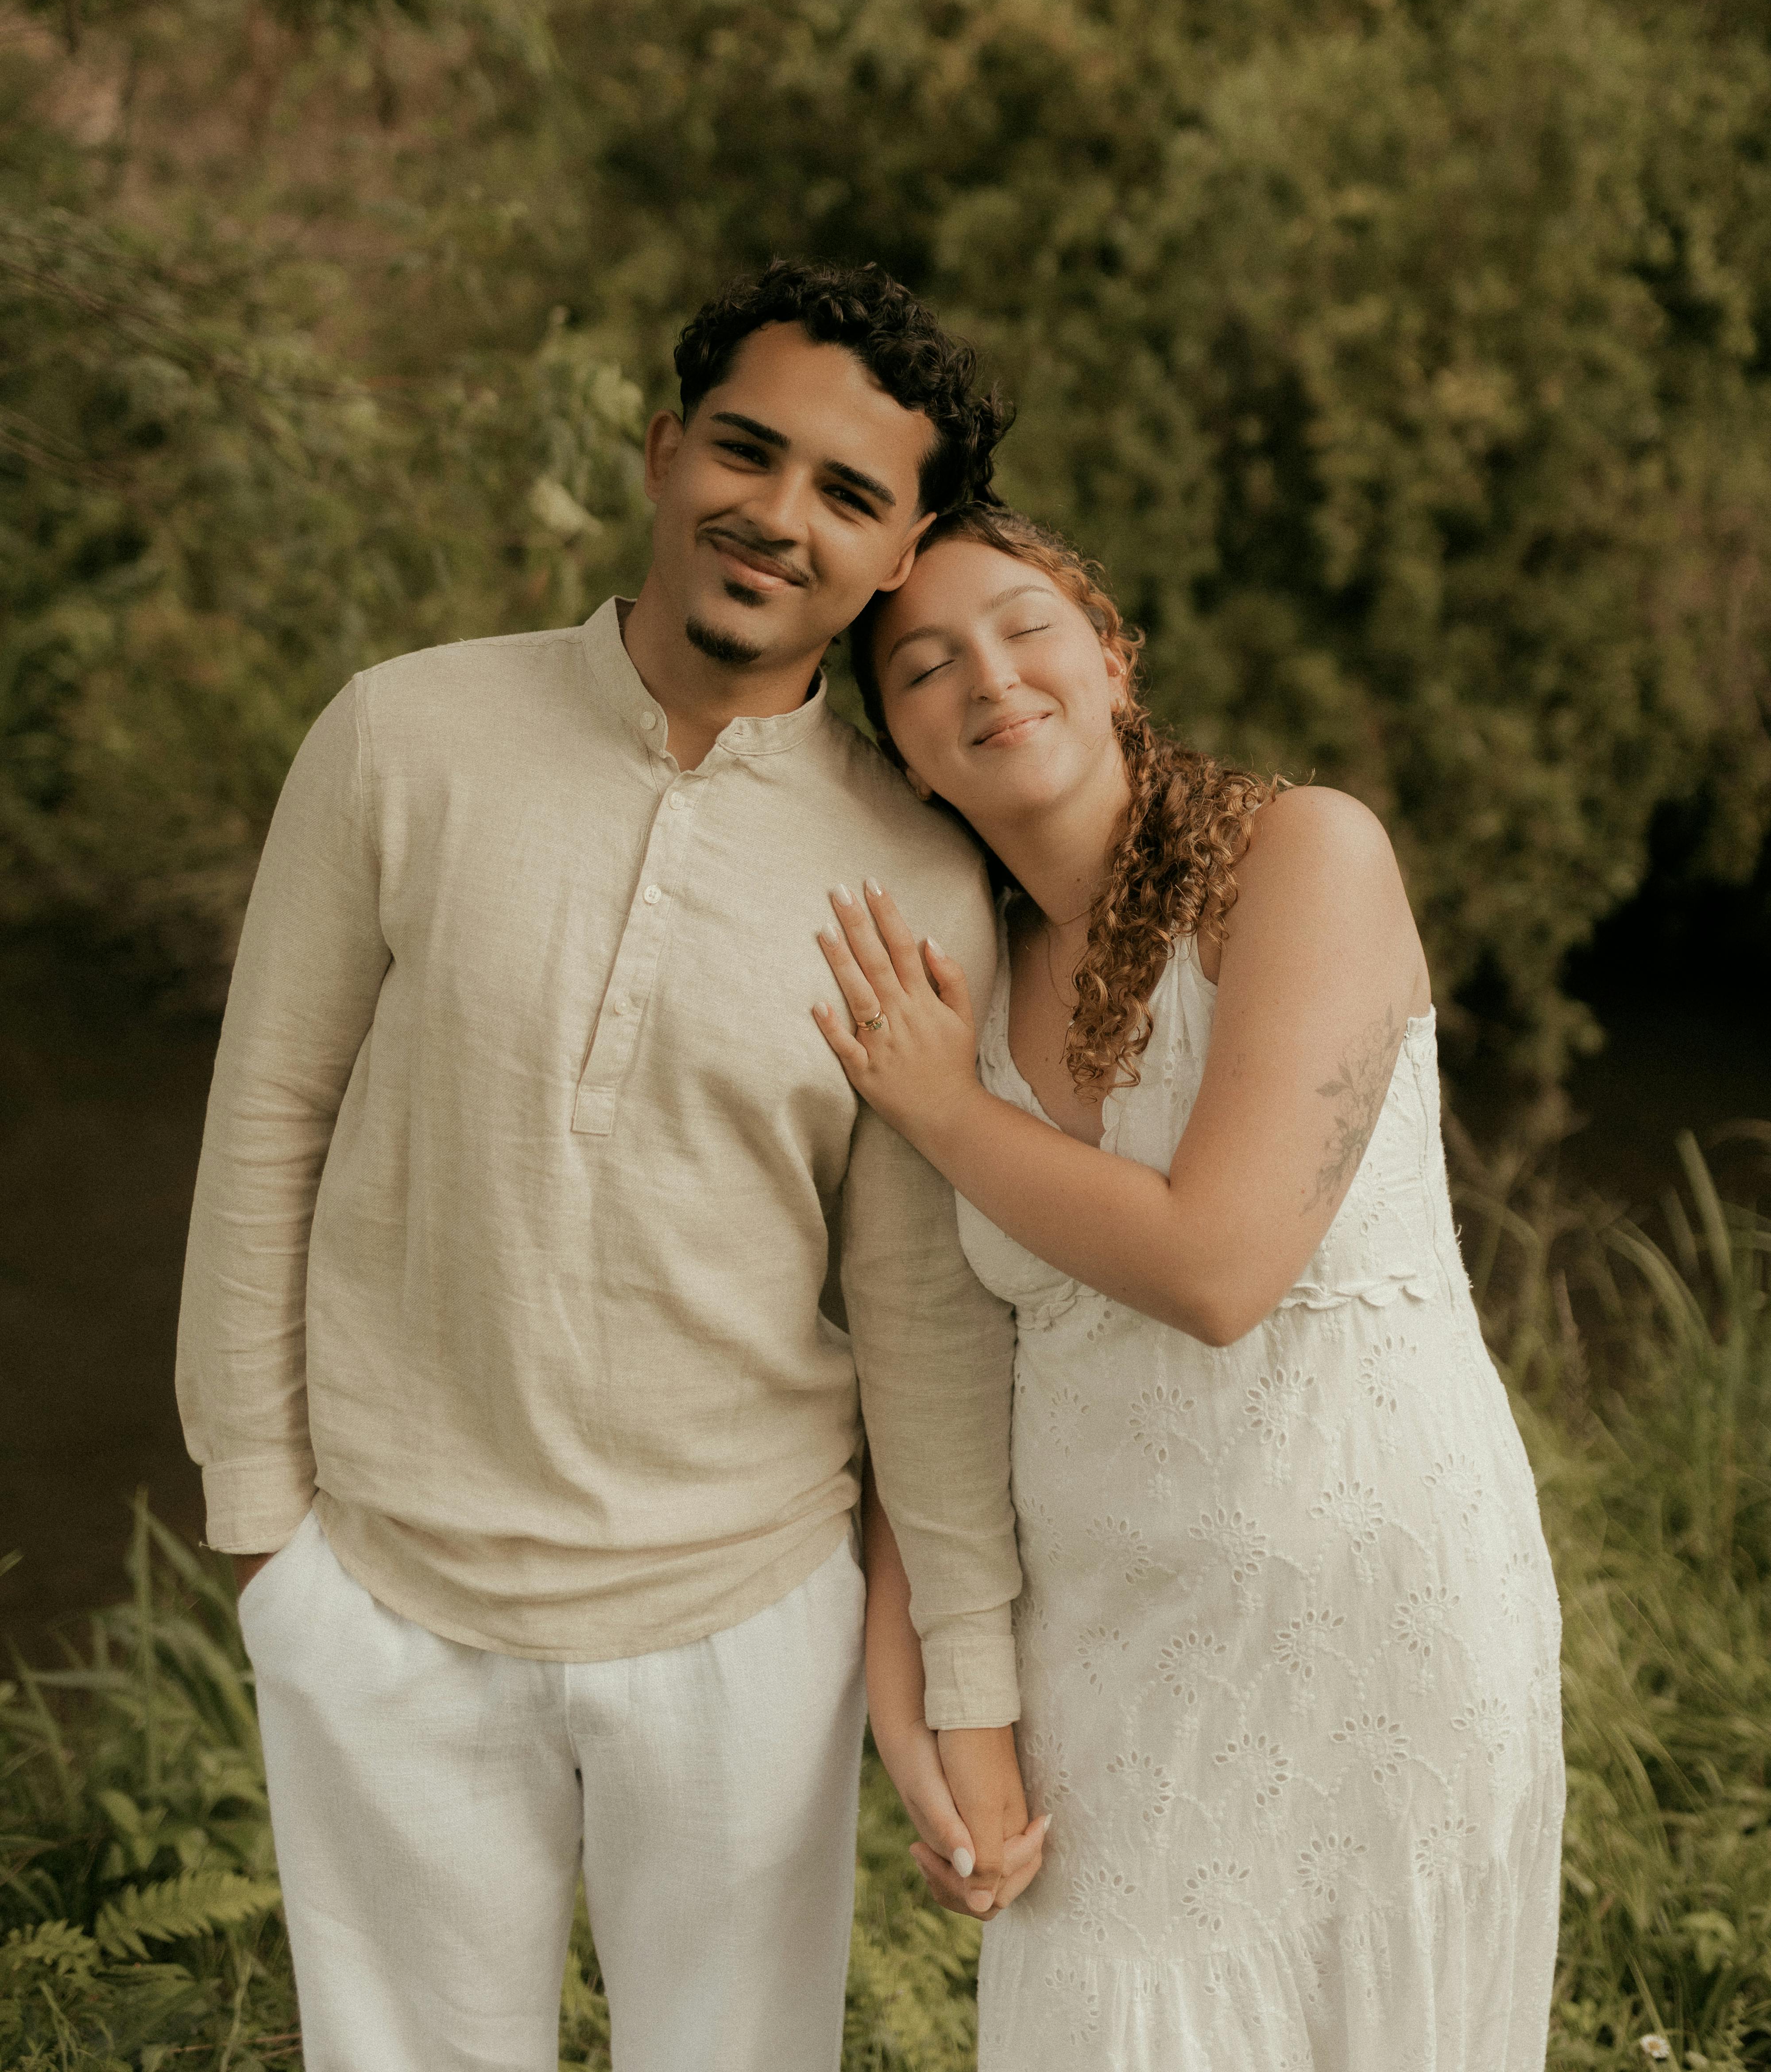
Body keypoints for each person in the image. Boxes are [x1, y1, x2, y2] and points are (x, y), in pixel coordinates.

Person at [175, 262, 1047, 2072]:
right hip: (388, 1599)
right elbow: (266, 1122)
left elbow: (922, 1322)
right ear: (663, 453)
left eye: (847, 494)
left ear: (900, 555)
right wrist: (264, 1525)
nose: (775, 516)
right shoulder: (399, 737)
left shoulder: (918, 875)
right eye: (745, 450)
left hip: (744, 1624)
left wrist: (963, 1681)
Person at [816, 503, 1566, 2071]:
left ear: (1111, 656)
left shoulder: (1305, 857)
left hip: (1383, 1633)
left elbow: (1219, 1266)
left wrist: (948, 1109)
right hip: (1117, 1685)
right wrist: (932, 1709)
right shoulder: (948, 974)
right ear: (902, 748)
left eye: (1026, 625)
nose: (990, 677)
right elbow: (940, 1371)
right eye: (925, 665)